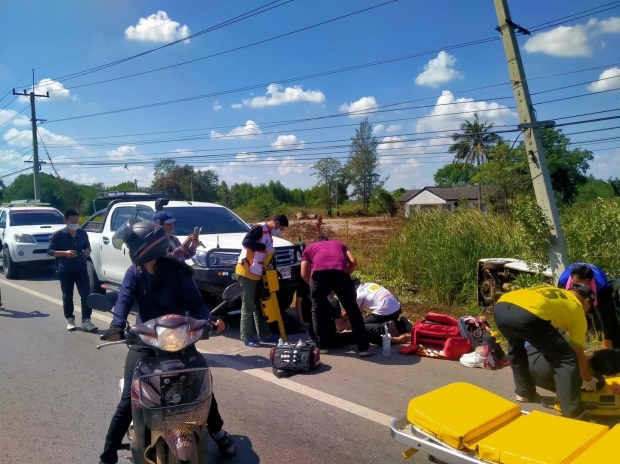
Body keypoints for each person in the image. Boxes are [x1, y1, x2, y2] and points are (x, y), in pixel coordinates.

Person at [99, 220, 235, 464]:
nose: (129, 250)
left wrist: (211, 320)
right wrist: (116, 325)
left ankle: (217, 431)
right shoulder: (135, 273)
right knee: (129, 399)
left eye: (132, 245)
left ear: (146, 247)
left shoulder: (177, 271)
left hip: (178, 339)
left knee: (201, 388)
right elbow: (124, 300)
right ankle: (108, 455)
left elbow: (196, 304)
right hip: (145, 339)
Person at [494, 283, 596, 419]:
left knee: (516, 347)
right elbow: (577, 352)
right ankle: (573, 413)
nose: (587, 310)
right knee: (566, 359)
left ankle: (524, 392)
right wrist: (588, 379)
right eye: (589, 308)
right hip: (527, 315)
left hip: (501, 308)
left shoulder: (554, 291)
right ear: (587, 301)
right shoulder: (577, 307)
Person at [300, 235, 376, 357]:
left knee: (317, 310)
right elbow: (353, 262)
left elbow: (304, 272)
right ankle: (363, 348)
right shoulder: (338, 244)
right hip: (340, 274)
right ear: (327, 241)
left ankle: (321, 346)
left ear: (315, 242)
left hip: (319, 276)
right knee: (353, 310)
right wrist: (344, 275)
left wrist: (314, 286)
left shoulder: (310, 247)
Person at [235, 214, 289, 347]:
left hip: (257, 272)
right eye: (281, 228)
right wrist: (265, 248)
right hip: (246, 271)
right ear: (276, 223)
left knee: (259, 303)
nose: (280, 231)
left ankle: (264, 334)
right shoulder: (258, 229)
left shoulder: (268, 234)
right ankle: (247, 337)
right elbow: (246, 242)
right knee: (247, 305)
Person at [48, 208, 98, 332]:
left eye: (76, 220)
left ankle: (86, 320)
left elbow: (87, 245)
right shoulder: (58, 235)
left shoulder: (82, 233)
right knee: (67, 296)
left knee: (86, 295)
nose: (75, 223)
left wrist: (88, 250)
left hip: (81, 268)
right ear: (65, 220)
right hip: (65, 270)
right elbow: (50, 251)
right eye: (72, 220)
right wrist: (64, 253)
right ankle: (70, 319)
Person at [558, 263, 620, 349]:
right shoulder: (563, 282)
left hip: (599, 292)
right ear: (571, 279)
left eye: (584, 285)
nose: (580, 288)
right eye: (577, 284)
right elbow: (563, 309)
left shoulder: (601, 286)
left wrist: (607, 341)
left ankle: (616, 347)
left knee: (610, 317)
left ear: (590, 281)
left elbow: (606, 315)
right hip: (569, 290)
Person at [527, 343, 620, 394]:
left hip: (527, 358)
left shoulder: (571, 350)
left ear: (596, 351)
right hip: (534, 377)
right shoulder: (597, 384)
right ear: (609, 375)